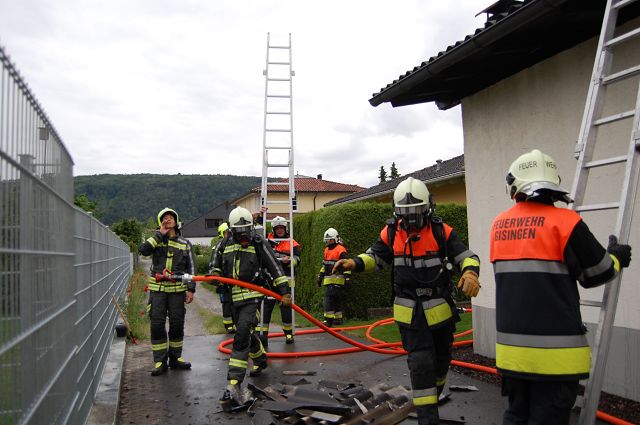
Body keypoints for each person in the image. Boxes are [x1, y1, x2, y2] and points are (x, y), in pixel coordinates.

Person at [490, 149, 632, 425]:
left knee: (516, 416)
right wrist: (616, 256)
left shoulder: (499, 225)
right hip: (556, 362)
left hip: (512, 357)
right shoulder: (567, 222)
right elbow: (598, 273)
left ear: (514, 186)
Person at [332, 177, 481, 425]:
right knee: (421, 364)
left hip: (441, 313)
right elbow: (374, 257)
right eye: (405, 212)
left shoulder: (440, 231)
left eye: (416, 211)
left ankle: (432, 394)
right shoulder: (391, 232)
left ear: (428, 207)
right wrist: (353, 263)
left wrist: (470, 272)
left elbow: (467, 256)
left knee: (441, 362)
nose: (411, 218)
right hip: (410, 314)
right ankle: (427, 418)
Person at [210, 206, 292, 406]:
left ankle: (234, 382)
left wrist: (284, 291)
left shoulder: (258, 242)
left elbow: (275, 267)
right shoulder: (224, 244)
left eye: (247, 230)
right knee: (246, 332)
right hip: (232, 298)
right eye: (240, 232)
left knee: (241, 334)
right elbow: (214, 265)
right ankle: (261, 359)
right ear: (232, 230)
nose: (244, 236)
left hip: (253, 296)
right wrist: (215, 275)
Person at [138, 207, 196, 376]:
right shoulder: (156, 241)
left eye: (171, 217)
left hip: (177, 292)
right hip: (158, 292)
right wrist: (159, 235)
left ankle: (175, 358)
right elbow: (143, 250)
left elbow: (191, 268)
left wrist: (191, 289)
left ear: (176, 222)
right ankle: (160, 361)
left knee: (177, 325)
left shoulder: (185, 243)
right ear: (160, 222)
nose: (168, 219)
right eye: (165, 217)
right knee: (157, 325)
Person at [257, 216, 301, 346]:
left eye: (282, 228)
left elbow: (297, 260)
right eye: (277, 228)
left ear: (285, 229)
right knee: (265, 308)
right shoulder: (267, 241)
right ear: (273, 229)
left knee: (286, 309)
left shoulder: (292, 243)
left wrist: (289, 261)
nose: (280, 230)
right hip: (269, 281)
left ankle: (288, 334)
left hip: (286, 282)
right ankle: (262, 336)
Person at [316, 228, 350, 327]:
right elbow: (324, 265)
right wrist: (320, 276)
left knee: (328, 299)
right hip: (329, 281)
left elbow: (346, 264)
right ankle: (338, 319)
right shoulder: (326, 250)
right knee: (336, 300)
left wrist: (347, 277)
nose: (328, 242)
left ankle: (328, 320)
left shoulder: (340, 249)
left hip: (338, 280)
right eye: (326, 240)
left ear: (335, 239)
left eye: (329, 240)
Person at [212, 222, 235, 334]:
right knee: (226, 303)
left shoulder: (232, 244)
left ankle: (234, 323)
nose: (228, 234)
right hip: (223, 280)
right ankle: (229, 325)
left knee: (234, 302)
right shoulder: (219, 246)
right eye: (226, 232)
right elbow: (214, 264)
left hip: (232, 280)